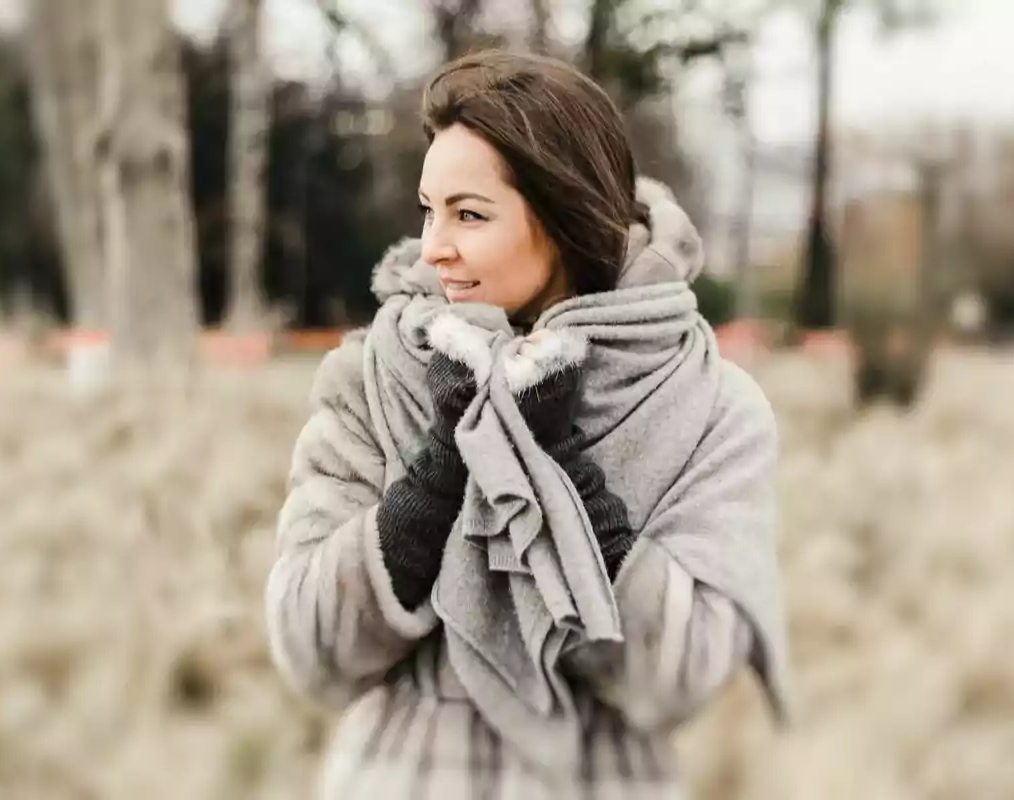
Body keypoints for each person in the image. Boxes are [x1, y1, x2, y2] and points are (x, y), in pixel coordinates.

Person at [265, 49, 790, 799]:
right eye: (429, 208)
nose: (433, 245)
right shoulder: (371, 379)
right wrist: (443, 465)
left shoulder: (709, 407)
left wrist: (557, 471)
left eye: (469, 214)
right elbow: (311, 647)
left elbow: (683, 680)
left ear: (567, 220)